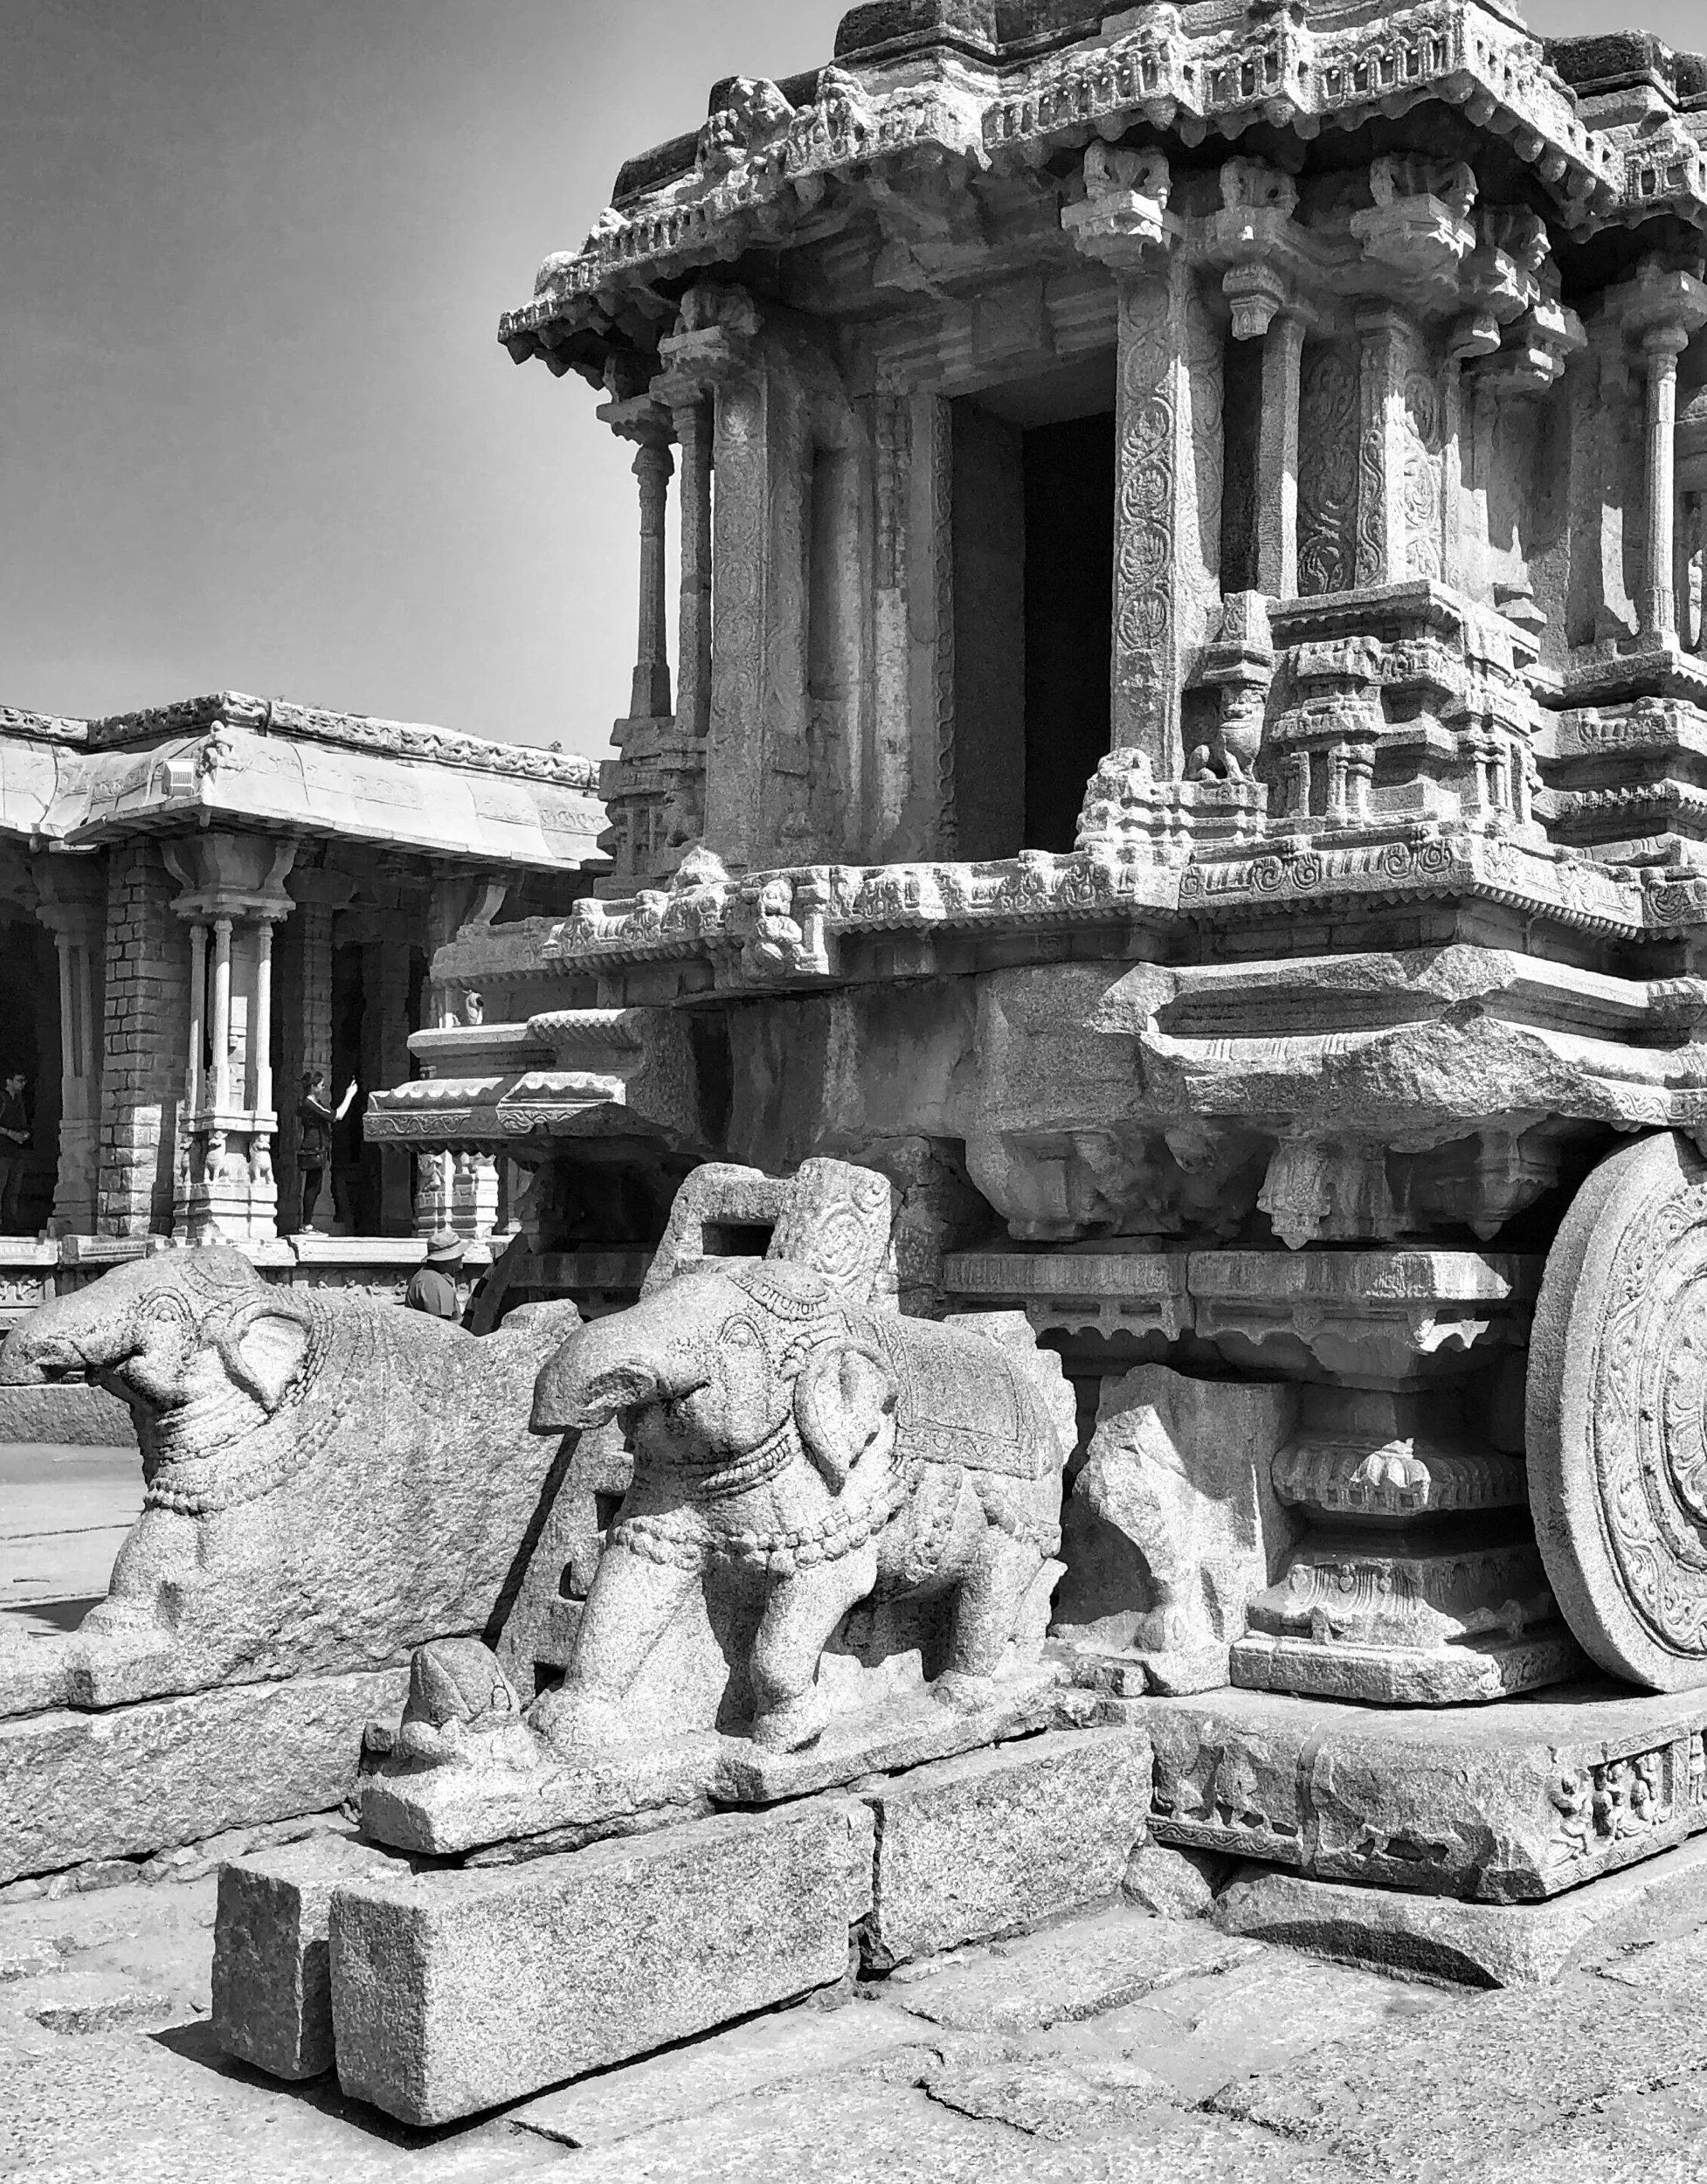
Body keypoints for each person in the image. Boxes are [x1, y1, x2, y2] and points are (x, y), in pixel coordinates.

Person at [296, 1069, 356, 1230]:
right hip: (314, 1148)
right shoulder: (310, 1103)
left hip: (318, 1147)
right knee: (312, 1187)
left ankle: (307, 1223)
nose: (323, 1088)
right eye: (321, 1085)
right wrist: (349, 1095)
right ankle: (306, 1224)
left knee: (315, 1187)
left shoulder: (311, 1102)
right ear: (313, 1087)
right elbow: (336, 1116)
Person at [404, 1230, 464, 1320]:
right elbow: (442, 1326)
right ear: (448, 1260)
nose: (463, 1256)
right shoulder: (434, 1283)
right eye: (459, 1255)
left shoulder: (430, 1277)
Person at [0, 1073, 31, 1234]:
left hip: (16, 1154)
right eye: (19, 1080)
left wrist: (24, 1135)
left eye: (24, 1081)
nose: (23, 1084)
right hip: (2, 1153)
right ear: (8, 1081)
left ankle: (9, 1226)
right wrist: (9, 1133)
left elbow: (26, 1125)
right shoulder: (2, 1099)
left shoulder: (20, 1102)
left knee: (13, 1193)